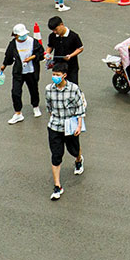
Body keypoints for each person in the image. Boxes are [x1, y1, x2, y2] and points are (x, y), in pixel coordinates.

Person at [45, 61, 86, 199]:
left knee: (73, 149)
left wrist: (79, 125)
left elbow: (80, 108)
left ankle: (78, 159)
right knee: (56, 155)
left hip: (70, 126)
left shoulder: (74, 89)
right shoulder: (49, 89)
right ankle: (57, 186)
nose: (55, 77)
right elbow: (49, 108)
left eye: (57, 75)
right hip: (54, 126)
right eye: (53, 74)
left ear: (64, 75)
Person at [0, 23, 44, 123]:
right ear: (15, 35)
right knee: (15, 92)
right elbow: (8, 57)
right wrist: (4, 65)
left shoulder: (33, 41)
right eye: (20, 35)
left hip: (31, 71)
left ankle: (35, 106)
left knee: (33, 89)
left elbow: (41, 54)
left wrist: (32, 58)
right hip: (18, 72)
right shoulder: (13, 44)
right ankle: (18, 113)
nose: (23, 37)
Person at [46, 16, 84, 85]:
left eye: (56, 29)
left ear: (61, 25)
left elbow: (80, 48)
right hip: (58, 66)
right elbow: (50, 46)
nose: (55, 32)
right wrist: (47, 53)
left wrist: (71, 55)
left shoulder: (73, 36)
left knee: (73, 85)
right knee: (59, 85)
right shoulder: (52, 36)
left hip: (71, 67)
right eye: (53, 30)